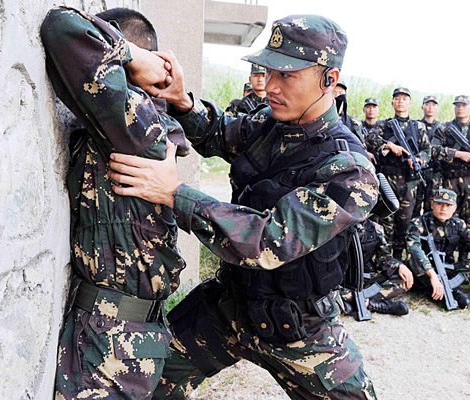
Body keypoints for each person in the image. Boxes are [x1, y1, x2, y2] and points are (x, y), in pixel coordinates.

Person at [108, 15, 378, 399]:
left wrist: (173, 193)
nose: (270, 86)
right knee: (143, 381)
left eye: (287, 76)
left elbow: (269, 241)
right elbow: (220, 132)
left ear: (329, 80)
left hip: (298, 330)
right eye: (268, 72)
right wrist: (181, 101)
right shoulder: (271, 125)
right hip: (230, 308)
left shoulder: (350, 170)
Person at [41, 7, 191, 399]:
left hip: (109, 343)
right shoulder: (145, 126)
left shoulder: (136, 122)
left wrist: (131, 55)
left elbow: (61, 28)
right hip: (132, 336)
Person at [406, 189, 470, 310]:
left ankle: (448, 287)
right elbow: (414, 250)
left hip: (447, 270)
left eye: (448, 205)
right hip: (424, 272)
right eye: (439, 204)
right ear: (432, 204)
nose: (443, 209)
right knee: (414, 264)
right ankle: (441, 290)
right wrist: (433, 276)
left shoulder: (458, 225)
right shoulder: (418, 223)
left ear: (454, 208)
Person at [367, 87, 430, 259]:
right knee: (385, 221)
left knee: (404, 222)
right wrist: (389, 145)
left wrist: (418, 160)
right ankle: (385, 259)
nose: (401, 101)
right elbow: (370, 139)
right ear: (392, 102)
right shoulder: (384, 125)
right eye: (397, 98)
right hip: (387, 180)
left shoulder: (418, 127)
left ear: (410, 103)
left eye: (404, 98)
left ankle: (398, 258)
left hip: (409, 182)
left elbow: (427, 151)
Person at [431, 95, 470, 234]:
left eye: (464, 105)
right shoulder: (444, 128)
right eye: (457, 105)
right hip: (450, 180)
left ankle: (465, 253)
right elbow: (433, 150)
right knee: (447, 217)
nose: (460, 108)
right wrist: (457, 154)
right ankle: (448, 253)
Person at [341, 219, 413, 317]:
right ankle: (380, 305)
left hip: (366, 278)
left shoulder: (375, 228)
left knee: (404, 280)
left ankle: (360, 303)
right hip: (342, 281)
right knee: (331, 292)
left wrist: (400, 265)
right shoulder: (336, 226)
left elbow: (384, 258)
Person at [413, 95, 441, 218]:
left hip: (435, 172)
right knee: (415, 205)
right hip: (418, 171)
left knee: (432, 205)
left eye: (433, 105)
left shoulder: (442, 128)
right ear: (422, 107)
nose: (430, 108)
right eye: (427, 104)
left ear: (437, 108)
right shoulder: (415, 126)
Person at [334, 80, 366, 145]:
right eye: (333, 93)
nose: (337, 96)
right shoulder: (320, 121)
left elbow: (362, 145)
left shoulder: (354, 123)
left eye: (340, 93)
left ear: (346, 97)